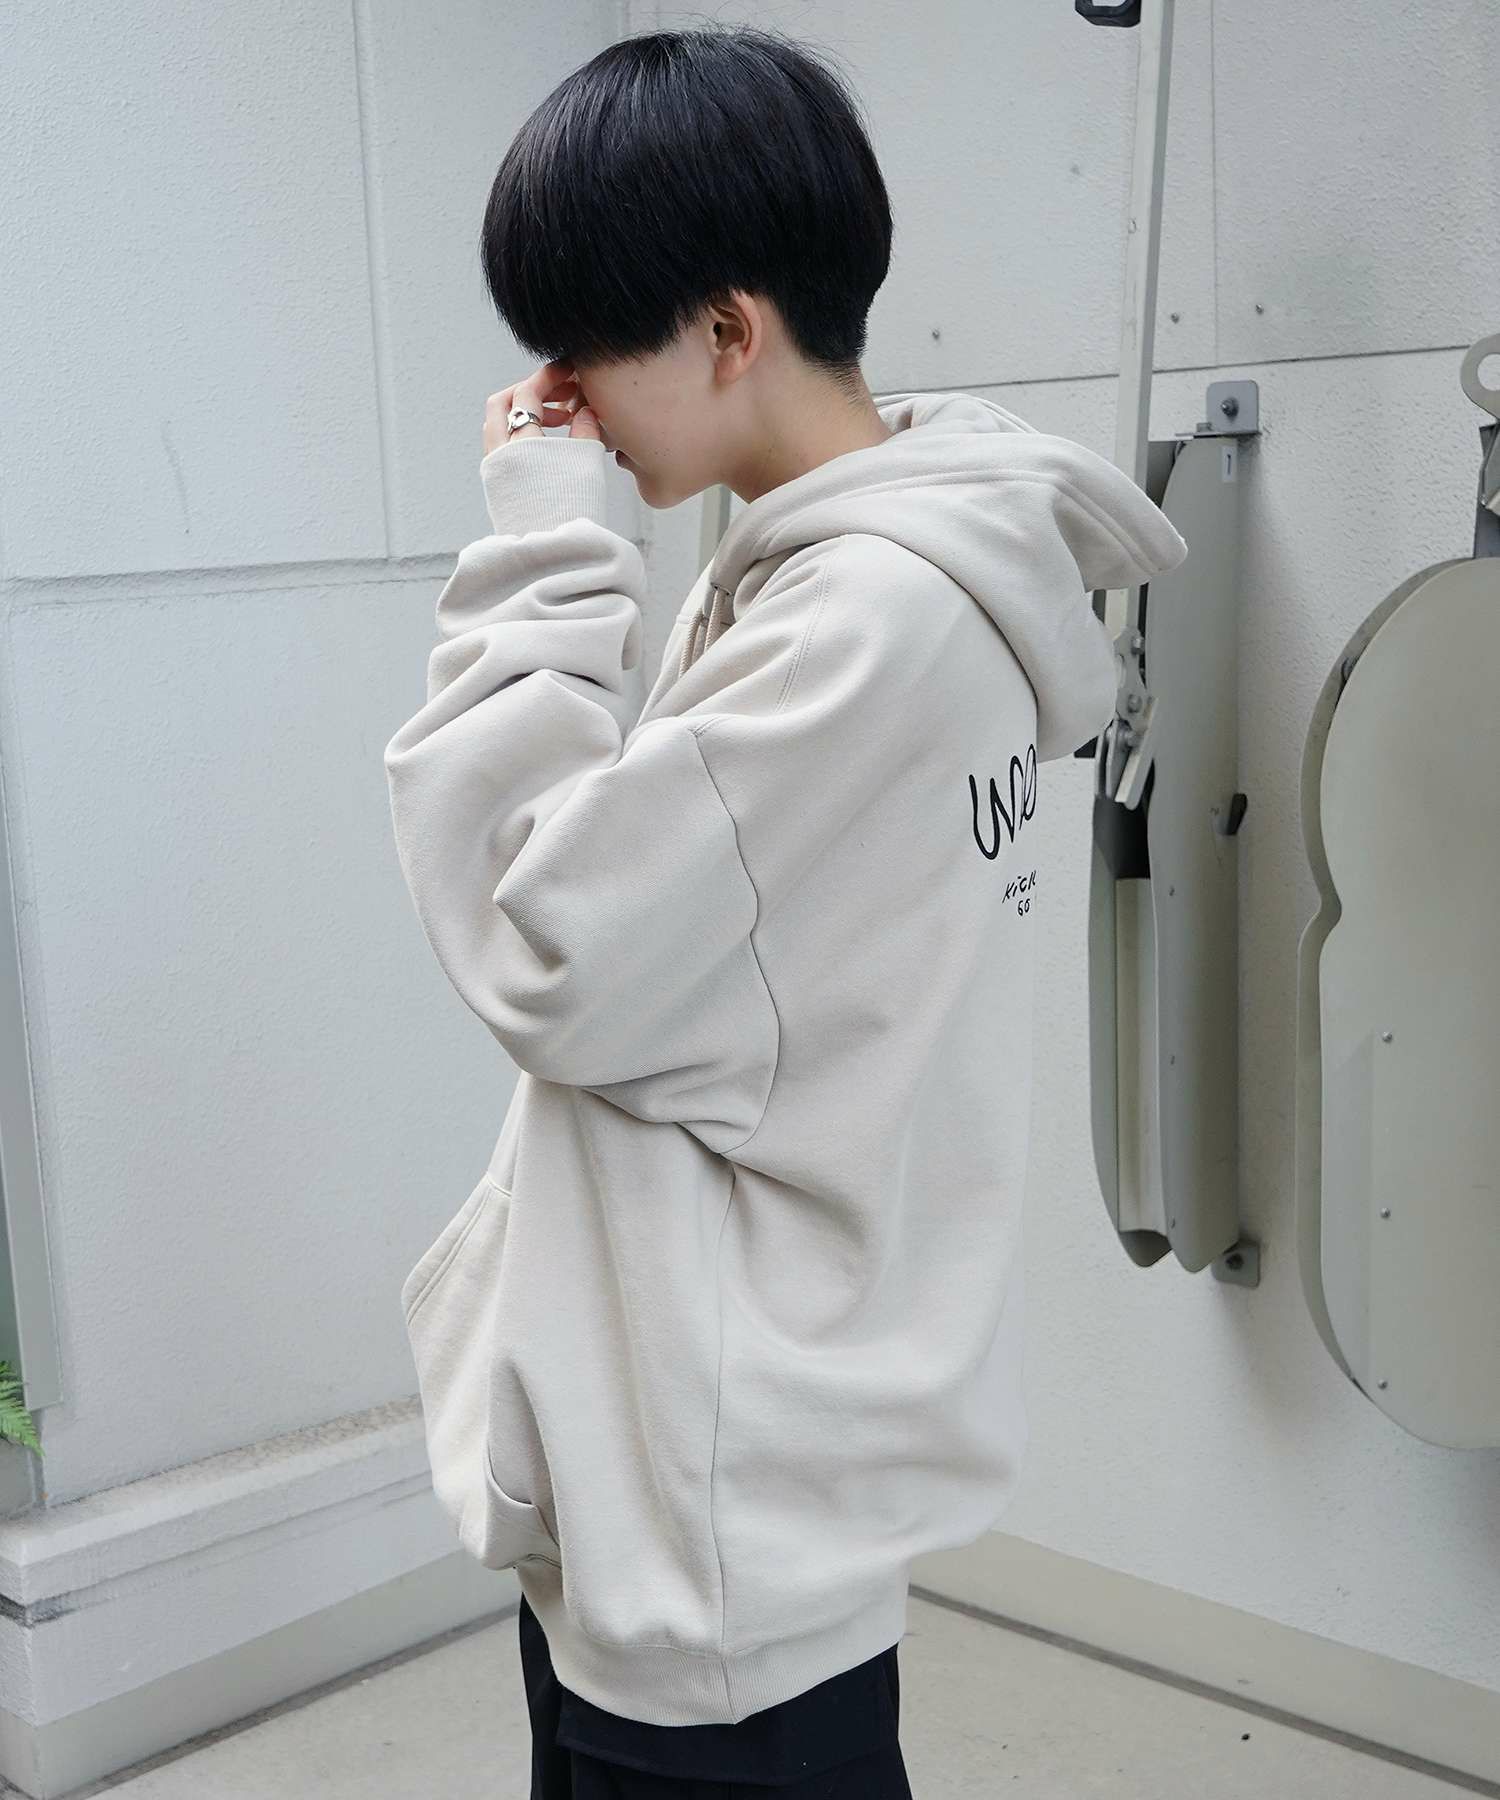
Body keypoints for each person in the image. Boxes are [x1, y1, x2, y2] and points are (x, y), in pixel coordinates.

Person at [384, 23, 1188, 1799]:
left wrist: (540, 549)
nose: (558, 398)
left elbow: (543, 936)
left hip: (718, 1512)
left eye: (586, 346)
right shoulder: (843, 575)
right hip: (712, 1464)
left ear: (727, 331)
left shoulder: (863, 626)